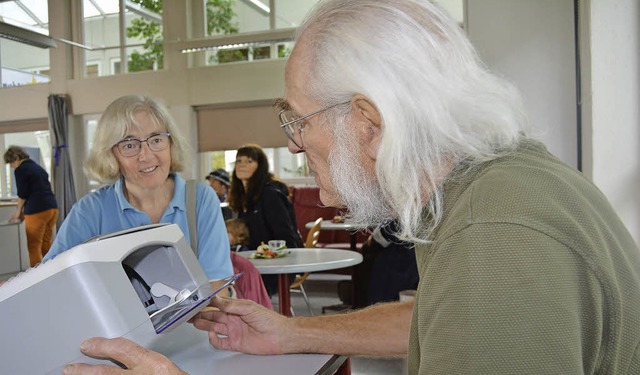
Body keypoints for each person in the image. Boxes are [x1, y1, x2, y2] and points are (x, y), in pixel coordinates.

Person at [62, 1, 640, 374]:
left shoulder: (498, 236)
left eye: (298, 121)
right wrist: (290, 335)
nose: (292, 145)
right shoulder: (491, 193)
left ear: (366, 121)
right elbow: (439, 319)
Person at [43, 94, 233, 293]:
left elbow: (217, 286)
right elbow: (50, 279)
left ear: (171, 144)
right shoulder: (89, 210)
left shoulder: (200, 199)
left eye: (156, 139)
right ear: (111, 155)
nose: (146, 155)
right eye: (129, 145)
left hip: (197, 323)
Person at [227, 144, 303, 295]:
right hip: (255, 264)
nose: (242, 165)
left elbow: (286, 238)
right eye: (239, 161)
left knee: (226, 289)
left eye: (249, 161)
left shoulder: (270, 194)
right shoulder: (245, 197)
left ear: (260, 166)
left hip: (276, 268)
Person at [3, 145, 58, 267]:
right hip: (52, 208)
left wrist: (18, 213)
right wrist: (23, 213)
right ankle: (51, 270)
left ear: (16, 158)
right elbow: (35, 190)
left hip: (37, 211)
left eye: (11, 163)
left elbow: (22, 194)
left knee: (34, 246)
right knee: (46, 244)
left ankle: (36, 278)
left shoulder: (21, 169)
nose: (12, 166)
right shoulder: (37, 167)